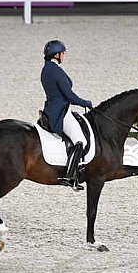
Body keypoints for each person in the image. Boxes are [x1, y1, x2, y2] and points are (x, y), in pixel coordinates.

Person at [41, 40, 93, 191]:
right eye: (62, 53)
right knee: (80, 140)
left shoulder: (47, 69)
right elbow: (69, 95)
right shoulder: (55, 71)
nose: (64, 56)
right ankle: (70, 176)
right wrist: (85, 102)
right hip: (60, 112)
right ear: (57, 55)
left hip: (52, 108)